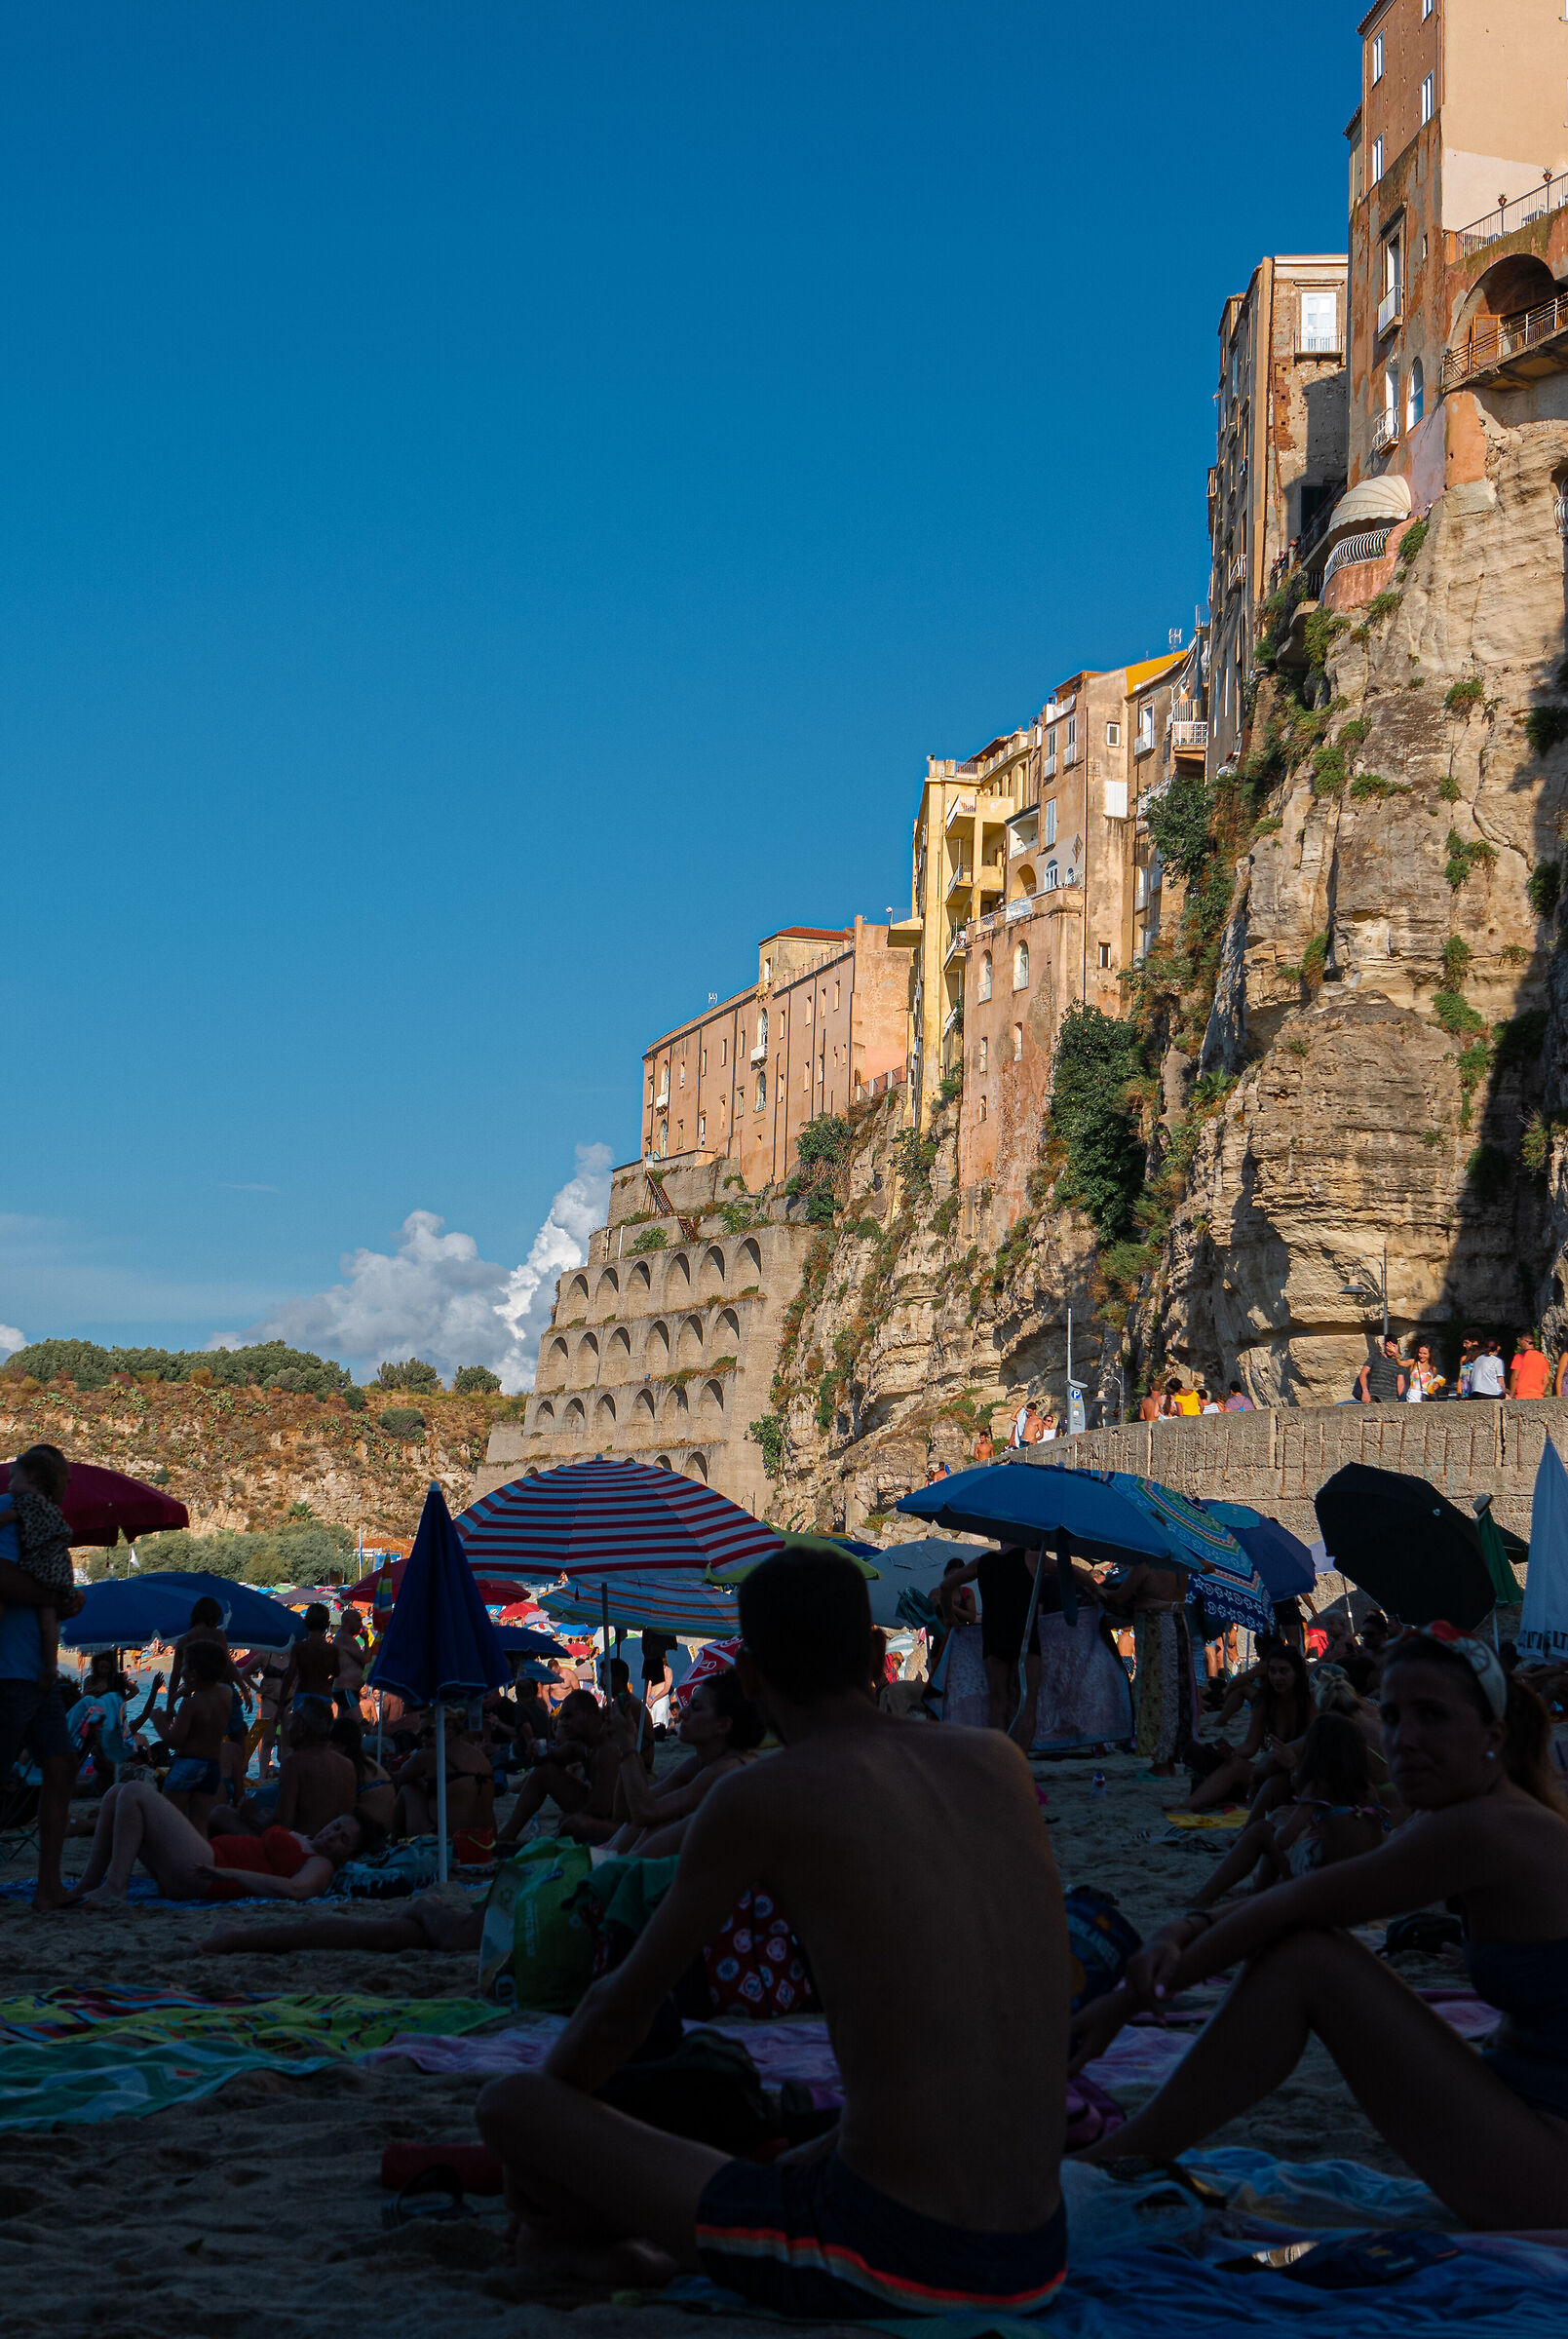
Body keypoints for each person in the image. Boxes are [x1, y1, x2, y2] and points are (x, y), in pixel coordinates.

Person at [474, 1545, 1070, 2316]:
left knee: (512, 2105)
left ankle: (585, 2246)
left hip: (899, 2253)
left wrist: (540, 2168)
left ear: (748, 1678)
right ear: (871, 1657)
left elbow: (617, 2011)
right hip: (1036, 2248)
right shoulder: (995, 1762)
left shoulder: (764, 1793)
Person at [1069, 1628, 1568, 2229]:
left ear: (1494, 1736)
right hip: (1525, 2119)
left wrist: (1127, 2001)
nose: (1405, 1740)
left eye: (1432, 1716)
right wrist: (1187, 1928)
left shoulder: (1486, 1828)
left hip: (1547, 2169)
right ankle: (1124, 2156)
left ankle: (1116, 2161)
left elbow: (1296, 1907)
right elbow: (1311, 1896)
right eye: (1391, 1715)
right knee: (1305, 1948)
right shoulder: (1488, 1814)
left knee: (1306, 1960)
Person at [1186, 1712, 1391, 1907]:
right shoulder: (1368, 1790)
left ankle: (1204, 1898)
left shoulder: (1318, 1788)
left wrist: (1282, 1830)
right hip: (1360, 1885)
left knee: (1262, 1831)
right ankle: (1260, 1890)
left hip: (1325, 1888)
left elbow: (1283, 1840)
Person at [63, 1781, 378, 1906]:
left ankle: (115, 1888)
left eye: (343, 1839)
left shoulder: (322, 1865)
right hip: (206, 1865)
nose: (332, 1836)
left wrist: (232, 1875)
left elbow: (294, 1890)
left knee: (134, 1792)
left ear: (349, 1853)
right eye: (337, 1827)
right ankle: (87, 1887)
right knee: (116, 1794)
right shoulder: (308, 1840)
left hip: (210, 1870)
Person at [0, 1502, 87, 1911]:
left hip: (39, 1673)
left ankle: (48, 1886)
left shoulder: (48, 1523)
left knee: (62, 1764)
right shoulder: (9, 1508)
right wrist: (56, 1593)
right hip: (9, 1669)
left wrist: (67, 1598)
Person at [603, 1671, 767, 1857]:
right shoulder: (697, 1764)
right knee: (660, 1819)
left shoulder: (730, 1769)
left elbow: (644, 1812)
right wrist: (626, 1746)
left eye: (695, 1707)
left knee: (666, 1822)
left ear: (723, 1725)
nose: (683, 1713)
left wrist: (628, 1748)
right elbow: (626, 1815)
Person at [1184, 1643, 1312, 1813]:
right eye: (1272, 1671)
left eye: (1283, 1671)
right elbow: (1249, 1747)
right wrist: (1229, 1752)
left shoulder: (1309, 1703)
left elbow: (1314, 1750)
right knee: (1213, 1757)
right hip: (1270, 1771)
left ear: (1296, 1673)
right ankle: (1188, 1805)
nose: (1276, 1677)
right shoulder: (1265, 1702)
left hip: (1301, 1774)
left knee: (1264, 1772)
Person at [1100, 1555, 1194, 1778]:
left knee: (1156, 1690)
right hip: (1178, 1624)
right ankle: (1169, 1761)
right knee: (1174, 1692)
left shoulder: (1147, 1564)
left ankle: (1161, 1762)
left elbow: (1120, 1596)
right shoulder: (1181, 1564)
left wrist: (1101, 1592)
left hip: (1156, 1627)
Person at [496, 1689, 621, 1846]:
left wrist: (572, 1818)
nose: (564, 1723)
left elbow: (601, 1808)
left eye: (569, 1717)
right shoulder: (583, 1744)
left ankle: (548, 1845)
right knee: (544, 1773)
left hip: (621, 1825)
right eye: (563, 1718)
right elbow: (550, 1760)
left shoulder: (607, 1749)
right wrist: (537, 1752)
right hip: (601, 1810)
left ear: (588, 1716)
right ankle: (508, 1833)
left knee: (572, 1823)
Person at [0, 1445, 75, 1688]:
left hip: (24, 1675)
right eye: (66, 1479)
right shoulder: (50, 1510)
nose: (10, 1485)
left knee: (47, 1610)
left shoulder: (23, 1504)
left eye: (13, 1479)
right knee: (49, 1615)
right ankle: (51, 1666)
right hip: (15, 1673)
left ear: (31, 1477)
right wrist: (64, 1597)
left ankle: (49, 1667)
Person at [391, 1707, 494, 1841]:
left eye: (427, 1732)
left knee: (409, 1788)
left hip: (444, 1840)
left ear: (448, 1727)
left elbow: (399, 1778)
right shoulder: (477, 1754)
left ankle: (393, 1840)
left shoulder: (431, 1754)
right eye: (420, 1734)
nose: (423, 1738)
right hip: (485, 1839)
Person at [162, 1641, 233, 1831]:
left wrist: (158, 1721)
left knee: (169, 1816)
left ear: (192, 1674)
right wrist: (180, 1693)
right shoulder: (226, 1693)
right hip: (211, 1765)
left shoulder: (190, 1705)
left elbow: (174, 1742)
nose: (180, 1669)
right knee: (200, 1820)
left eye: (183, 1665)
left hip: (188, 1764)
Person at [275, 1696, 359, 1835]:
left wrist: (252, 1816)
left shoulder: (293, 1763)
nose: (288, 1727)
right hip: (336, 1845)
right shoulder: (347, 1764)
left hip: (305, 1844)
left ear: (302, 1729)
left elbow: (284, 1824)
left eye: (292, 1719)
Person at [330, 1712, 395, 1831]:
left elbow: (341, 1807)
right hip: (385, 1829)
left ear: (339, 1744)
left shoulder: (350, 1767)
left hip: (370, 1832)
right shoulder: (367, 1762)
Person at [280, 1603, 340, 1710]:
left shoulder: (299, 1648)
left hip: (303, 1695)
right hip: (323, 1696)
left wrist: (280, 1707)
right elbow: (338, 1674)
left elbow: (289, 1677)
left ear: (306, 1623)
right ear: (328, 1624)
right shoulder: (331, 1650)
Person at [1357, 1336, 1406, 1404]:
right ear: (1384, 1345)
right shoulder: (1375, 1356)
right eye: (1388, 1346)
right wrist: (1365, 1391)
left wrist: (1401, 1399)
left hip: (1392, 1400)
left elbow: (1400, 1382)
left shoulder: (1399, 1362)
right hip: (1374, 1397)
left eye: (1393, 1346)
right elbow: (1363, 1374)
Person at [1511, 1331, 1550, 1400]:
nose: (1519, 1343)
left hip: (1522, 1395)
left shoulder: (1520, 1356)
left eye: (1520, 1340)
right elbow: (1546, 1380)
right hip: (1538, 1396)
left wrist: (1511, 1394)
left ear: (1524, 1341)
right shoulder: (1541, 1357)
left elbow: (1515, 1377)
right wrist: (1540, 1393)